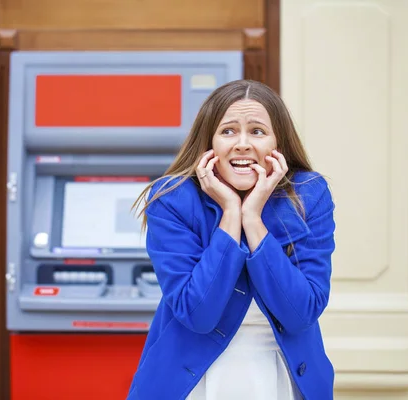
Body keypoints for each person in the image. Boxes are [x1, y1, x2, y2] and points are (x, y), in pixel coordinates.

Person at [128, 80, 336, 400]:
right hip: (193, 381)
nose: (242, 144)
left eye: (257, 131)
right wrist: (230, 213)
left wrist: (252, 218)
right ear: (208, 143)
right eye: (227, 131)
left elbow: (301, 313)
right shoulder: (172, 198)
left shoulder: (309, 194)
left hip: (282, 377)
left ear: (277, 143)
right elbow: (197, 314)